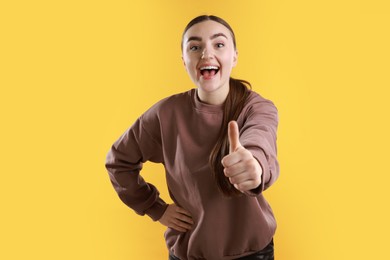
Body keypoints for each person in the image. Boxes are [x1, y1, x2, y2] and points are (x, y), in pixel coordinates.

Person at [105, 15, 279, 260]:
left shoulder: (258, 108)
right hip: (189, 254)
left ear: (235, 56)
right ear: (184, 60)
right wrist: (154, 207)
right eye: (195, 47)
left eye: (219, 44)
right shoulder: (165, 114)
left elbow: (261, 139)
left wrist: (254, 166)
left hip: (254, 254)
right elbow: (118, 161)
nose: (206, 55)